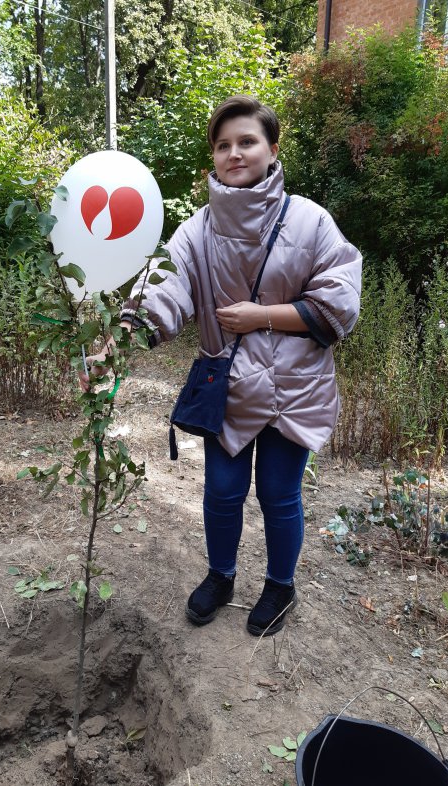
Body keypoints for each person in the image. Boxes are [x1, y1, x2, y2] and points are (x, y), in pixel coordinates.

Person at [84, 95, 362, 636]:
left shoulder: (310, 221)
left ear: (272, 148)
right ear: (213, 156)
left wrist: (263, 315)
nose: (235, 153)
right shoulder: (198, 230)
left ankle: (281, 586)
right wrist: (114, 344)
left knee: (280, 494)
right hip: (228, 386)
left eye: (247, 141)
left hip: (295, 388)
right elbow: (165, 286)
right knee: (221, 490)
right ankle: (222, 576)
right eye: (223, 145)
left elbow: (340, 298)